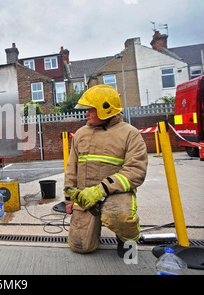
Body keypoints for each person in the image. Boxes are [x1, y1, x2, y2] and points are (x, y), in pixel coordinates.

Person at [63, 85, 148, 257]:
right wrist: (69, 199)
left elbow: (136, 171)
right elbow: (71, 168)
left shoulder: (130, 134)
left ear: (106, 110)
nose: (86, 113)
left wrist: (101, 189)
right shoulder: (80, 134)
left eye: (91, 110)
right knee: (81, 246)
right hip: (86, 196)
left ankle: (127, 237)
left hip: (115, 194)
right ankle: (93, 229)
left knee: (120, 217)